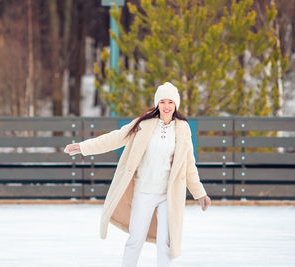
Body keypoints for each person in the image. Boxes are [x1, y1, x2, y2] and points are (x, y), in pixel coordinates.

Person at [64, 82, 212, 267]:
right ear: (157, 104)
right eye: (163, 102)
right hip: (144, 192)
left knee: (166, 242)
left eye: (171, 102)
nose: (166, 106)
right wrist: (83, 147)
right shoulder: (143, 124)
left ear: (176, 105)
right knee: (136, 239)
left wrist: (200, 193)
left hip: (168, 195)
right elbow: (115, 138)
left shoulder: (182, 129)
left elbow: (189, 165)